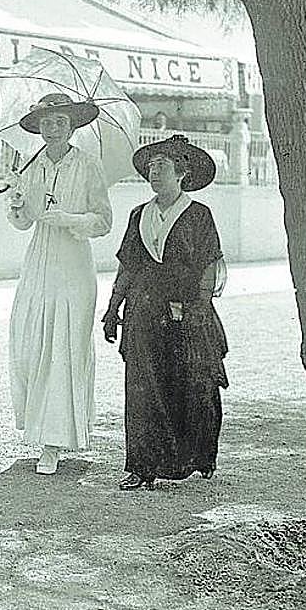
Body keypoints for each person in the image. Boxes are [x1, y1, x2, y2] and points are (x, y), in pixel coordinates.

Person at [101, 135, 228, 490]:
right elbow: (127, 267)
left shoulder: (200, 215)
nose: (154, 173)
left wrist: (200, 307)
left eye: (162, 167)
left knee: (191, 384)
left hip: (186, 310)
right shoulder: (138, 214)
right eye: (151, 167)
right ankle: (141, 466)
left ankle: (199, 457)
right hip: (143, 309)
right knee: (142, 386)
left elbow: (208, 265)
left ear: (181, 173)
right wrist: (113, 308)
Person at [5, 93, 112, 475]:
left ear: (71, 126)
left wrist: (66, 217)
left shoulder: (87, 165)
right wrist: (17, 202)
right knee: (31, 339)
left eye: (60, 121)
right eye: (47, 122)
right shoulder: (31, 167)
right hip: (40, 262)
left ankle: (54, 442)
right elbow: (23, 222)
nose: (53, 128)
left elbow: (103, 221)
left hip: (73, 265)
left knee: (64, 346)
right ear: (39, 127)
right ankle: (38, 429)